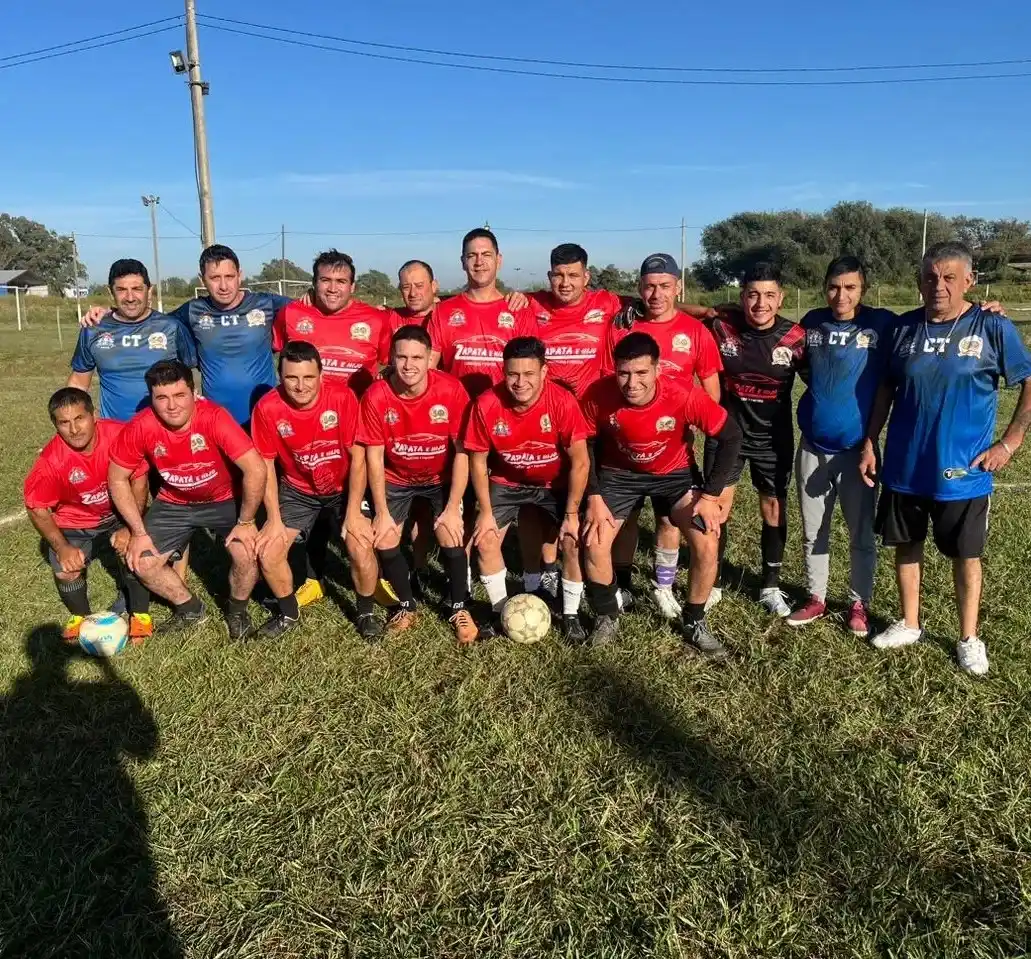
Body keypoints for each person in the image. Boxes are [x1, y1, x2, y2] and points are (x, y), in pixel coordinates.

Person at [860, 241, 1031, 675]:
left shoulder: (991, 326)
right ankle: (910, 622)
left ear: (969, 280)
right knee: (906, 545)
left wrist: (1009, 441)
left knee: (966, 555)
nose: (939, 286)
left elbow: (1027, 379)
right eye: (931, 277)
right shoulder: (903, 329)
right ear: (919, 282)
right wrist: (869, 440)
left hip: (964, 471)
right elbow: (886, 389)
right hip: (904, 466)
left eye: (950, 277)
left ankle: (969, 637)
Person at [581, 332, 742, 655]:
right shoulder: (597, 394)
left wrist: (710, 496)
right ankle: (606, 616)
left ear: (657, 370)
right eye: (624, 373)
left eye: (641, 373)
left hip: (675, 476)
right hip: (618, 476)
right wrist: (594, 496)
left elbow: (730, 437)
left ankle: (694, 621)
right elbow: (582, 446)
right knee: (594, 540)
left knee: (707, 539)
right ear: (614, 369)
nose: (631, 383)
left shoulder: (683, 394)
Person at [107, 360, 268, 641]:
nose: (172, 406)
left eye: (180, 395)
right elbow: (117, 478)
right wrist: (139, 532)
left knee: (247, 553)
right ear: (152, 400)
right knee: (141, 561)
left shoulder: (214, 417)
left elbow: (255, 468)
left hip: (224, 500)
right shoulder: (141, 426)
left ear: (194, 394)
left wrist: (246, 521)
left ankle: (237, 609)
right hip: (174, 503)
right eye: (162, 398)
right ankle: (190, 608)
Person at [604, 253, 723, 619]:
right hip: (623, 444)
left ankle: (663, 586)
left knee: (669, 520)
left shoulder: (695, 331)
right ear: (639, 288)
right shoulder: (621, 325)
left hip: (672, 445)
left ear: (678, 287)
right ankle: (622, 585)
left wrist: (688, 420)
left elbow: (711, 390)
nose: (657, 294)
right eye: (650, 286)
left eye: (665, 286)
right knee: (627, 519)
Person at [785, 256, 896, 636]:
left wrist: (981, 311)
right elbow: (776, 339)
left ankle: (858, 603)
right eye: (834, 286)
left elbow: (929, 321)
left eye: (850, 287)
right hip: (812, 445)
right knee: (813, 530)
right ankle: (816, 597)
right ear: (824, 287)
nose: (841, 295)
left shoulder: (882, 323)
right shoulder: (812, 321)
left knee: (860, 533)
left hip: (857, 450)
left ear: (863, 289)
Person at [250, 342, 381, 641]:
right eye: (291, 378)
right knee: (268, 552)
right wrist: (271, 517)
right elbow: (266, 466)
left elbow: (358, 457)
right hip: (298, 491)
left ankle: (365, 612)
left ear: (321, 375)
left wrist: (353, 512)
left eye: (308, 378)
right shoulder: (267, 407)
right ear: (279, 375)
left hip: (343, 487)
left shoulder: (342, 397)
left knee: (359, 545)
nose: (300, 386)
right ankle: (288, 612)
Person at [358, 325, 479, 644]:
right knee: (384, 539)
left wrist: (453, 507)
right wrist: (381, 511)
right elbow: (374, 456)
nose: (409, 365)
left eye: (416, 357)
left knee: (451, 533)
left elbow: (462, 452)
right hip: (396, 479)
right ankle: (407, 605)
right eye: (402, 357)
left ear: (429, 360)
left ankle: (459, 606)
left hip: (440, 478)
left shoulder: (451, 390)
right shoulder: (376, 395)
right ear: (392, 358)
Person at [464, 336, 590, 640]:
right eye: (513, 374)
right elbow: (478, 462)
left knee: (572, 540)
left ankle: (570, 614)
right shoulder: (486, 403)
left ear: (544, 372)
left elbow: (581, 462)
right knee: (486, 539)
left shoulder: (562, 401)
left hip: (553, 483)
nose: (520, 382)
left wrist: (572, 512)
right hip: (507, 482)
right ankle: (503, 610)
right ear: (503, 372)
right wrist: (485, 511)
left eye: (529, 374)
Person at [705, 261, 807, 617]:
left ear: (780, 299)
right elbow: (666, 308)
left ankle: (770, 585)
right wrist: (707, 309)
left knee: (773, 509)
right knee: (717, 509)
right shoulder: (721, 327)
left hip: (772, 439)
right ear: (741, 297)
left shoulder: (797, 338)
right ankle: (713, 580)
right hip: (727, 436)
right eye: (752, 295)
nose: (760, 303)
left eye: (768, 295)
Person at [24, 388, 152, 642]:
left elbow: (139, 479)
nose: (74, 429)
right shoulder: (51, 461)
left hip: (118, 511)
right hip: (75, 522)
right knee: (66, 568)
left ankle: (140, 614)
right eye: (64, 422)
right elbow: (37, 508)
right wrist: (61, 547)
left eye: (79, 418)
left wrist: (132, 526)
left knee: (137, 550)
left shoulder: (119, 435)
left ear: (93, 416)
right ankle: (80, 616)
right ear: (55, 426)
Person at [68, 259, 197, 423]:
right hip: (116, 433)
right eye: (121, 289)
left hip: (164, 434)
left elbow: (191, 379)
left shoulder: (171, 327)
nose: (130, 297)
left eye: (137, 289)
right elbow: (78, 383)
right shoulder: (93, 329)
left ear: (149, 291)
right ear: (110, 292)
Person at [427, 227, 538, 399]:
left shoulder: (518, 310)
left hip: (504, 411)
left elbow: (532, 371)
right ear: (463, 262)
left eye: (486, 255)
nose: (479, 262)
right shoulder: (442, 311)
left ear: (498, 260)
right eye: (472, 256)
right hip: (457, 410)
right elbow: (428, 370)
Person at [272, 249, 392, 397]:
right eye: (325, 280)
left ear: (352, 286)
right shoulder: (290, 313)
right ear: (314, 283)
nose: (332, 289)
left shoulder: (377, 319)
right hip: (305, 414)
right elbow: (270, 352)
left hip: (356, 413)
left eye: (341, 281)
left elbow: (389, 362)